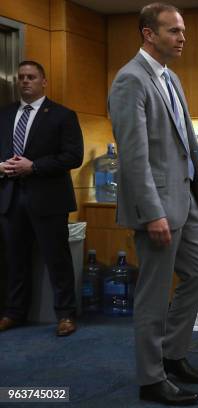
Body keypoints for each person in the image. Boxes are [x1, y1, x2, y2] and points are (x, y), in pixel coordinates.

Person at [108, 3, 198, 405]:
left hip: (186, 200)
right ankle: (151, 379)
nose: (182, 38)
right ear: (148, 34)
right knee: (153, 295)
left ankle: (172, 353)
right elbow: (133, 158)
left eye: (182, 31)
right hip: (157, 209)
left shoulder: (172, 78)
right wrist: (152, 213)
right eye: (173, 31)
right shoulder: (129, 80)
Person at [0, 60, 83, 337]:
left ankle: (66, 315)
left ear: (43, 82)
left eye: (31, 77)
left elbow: (73, 157)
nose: (25, 81)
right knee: (14, 259)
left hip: (48, 198)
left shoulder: (62, 115)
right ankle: (13, 312)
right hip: (10, 197)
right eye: (21, 77)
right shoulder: (4, 114)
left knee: (56, 259)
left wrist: (33, 166)